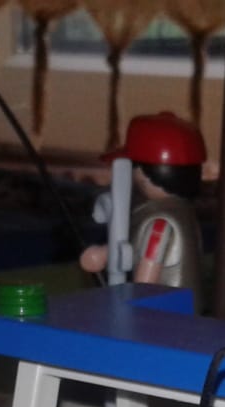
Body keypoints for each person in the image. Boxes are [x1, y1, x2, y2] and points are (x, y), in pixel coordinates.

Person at [79, 112, 207, 311]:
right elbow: (136, 247)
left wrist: (127, 307)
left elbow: (145, 281)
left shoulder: (159, 224)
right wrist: (104, 254)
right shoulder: (181, 212)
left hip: (165, 314)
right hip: (182, 309)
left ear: (145, 174)